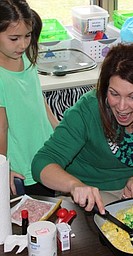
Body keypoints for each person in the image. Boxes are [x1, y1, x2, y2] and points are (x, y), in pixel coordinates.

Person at [31, 43, 133, 214]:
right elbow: (41, 163)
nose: (122, 106)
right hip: (90, 190)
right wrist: (75, 186)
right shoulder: (87, 110)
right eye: (114, 94)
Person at [0, 0, 58, 196]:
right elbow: (1, 127)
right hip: (21, 164)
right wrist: (3, 168)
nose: (23, 44)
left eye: (27, 36)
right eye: (14, 38)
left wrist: (58, 128)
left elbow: (37, 97)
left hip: (44, 152)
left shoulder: (26, 55)